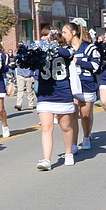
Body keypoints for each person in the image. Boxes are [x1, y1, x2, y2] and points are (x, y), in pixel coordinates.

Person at [31, 30, 76, 170]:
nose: (44, 40)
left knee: (66, 127)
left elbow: (68, 54)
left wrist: (53, 48)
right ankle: (46, 160)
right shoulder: (39, 52)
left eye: (48, 38)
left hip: (62, 92)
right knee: (46, 128)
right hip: (45, 94)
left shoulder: (66, 50)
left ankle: (69, 153)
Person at [68, 22, 101, 152]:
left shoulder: (89, 48)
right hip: (70, 85)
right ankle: (74, 144)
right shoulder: (65, 49)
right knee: (72, 115)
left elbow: (96, 66)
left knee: (85, 115)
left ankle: (86, 136)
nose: (63, 35)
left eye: (65, 32)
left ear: (74, 33)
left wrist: (79, 62)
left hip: (86, 84)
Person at [14, 41, 37, 111]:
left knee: (29, 91)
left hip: (29, 75)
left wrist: (33, 75)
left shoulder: (30, 56)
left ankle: (31, 104)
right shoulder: (17, 55)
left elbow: (33, 66)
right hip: (20, 75)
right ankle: (19, 104)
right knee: (20, 90)